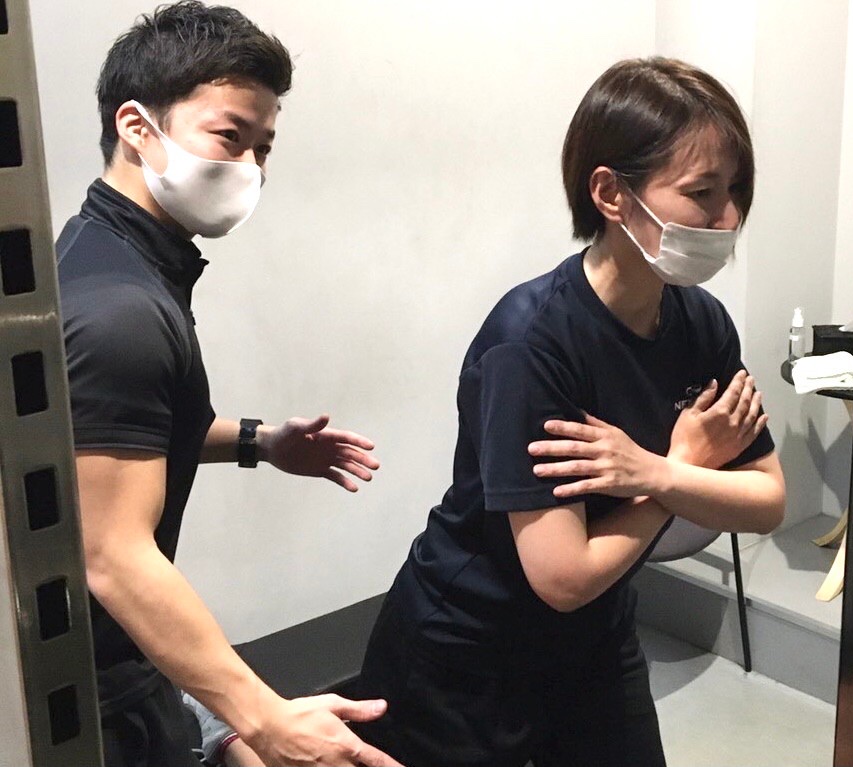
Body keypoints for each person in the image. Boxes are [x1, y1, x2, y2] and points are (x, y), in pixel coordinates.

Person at [349, 57, 786, 767]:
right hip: (468, 655)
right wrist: (679, 469)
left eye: (735, 191)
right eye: (701, 192)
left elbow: (766, 500)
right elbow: (562, 576)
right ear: (611, 193)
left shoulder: (701, 323)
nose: (727, 217)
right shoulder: (530, 344)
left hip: (596, 636)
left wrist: (656, 473)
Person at [57, 3, 401, 765]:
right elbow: (113, 553)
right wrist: (265, 718)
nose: (250, 167)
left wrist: (262, 442)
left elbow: (124, 432)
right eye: (229, 136)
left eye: (262, 146)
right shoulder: (120, 312)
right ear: (137, 127)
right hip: (104, 689)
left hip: (123, 665)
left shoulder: (107, 250)